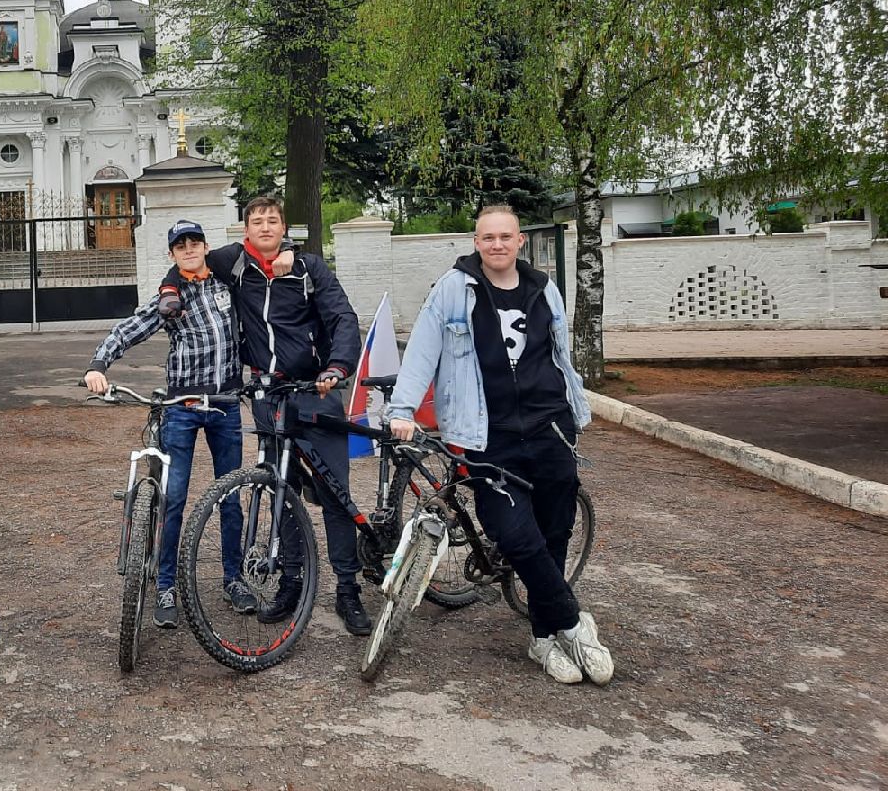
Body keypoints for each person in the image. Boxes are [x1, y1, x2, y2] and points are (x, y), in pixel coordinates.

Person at [384, 203, 613, 685]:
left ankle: (544, 638)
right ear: (476, 242)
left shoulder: (542, 289)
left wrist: (574, 411)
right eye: (488, 238)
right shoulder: (454, 289)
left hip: (551, 430)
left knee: (554, 534)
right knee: (516, 536)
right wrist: (401, 410)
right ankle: (574, 622)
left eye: (505, 237)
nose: (497, 245)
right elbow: (424, 348)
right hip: (488, 438)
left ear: (519, 241)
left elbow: (560, 355)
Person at [158, 196, 369, 635]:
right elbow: (185, 258)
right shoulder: (233, 263)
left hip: (315, 392)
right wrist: (169, 292)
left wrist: (338, 367)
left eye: (274, 221)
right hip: (269, 397)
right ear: (245, 230)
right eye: (258, 221)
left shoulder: (310, 267)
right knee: (281, 494)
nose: (266, 227)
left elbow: (342, 317)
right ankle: (291, 582)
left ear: (284, 227)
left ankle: (348, 588)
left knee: (334, 495)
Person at [85, 219, 268, 629]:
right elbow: (131, 328)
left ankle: (233, 579)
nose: (188, 249)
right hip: (182, 407)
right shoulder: (171, 297)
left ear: (205, 246)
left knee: (231, 496)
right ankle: (165, 585)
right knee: (174, 499)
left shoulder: (228, 287)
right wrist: (99, 364)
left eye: (194, 242)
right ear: (172, 254)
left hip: (224, 405)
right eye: (180, 245)